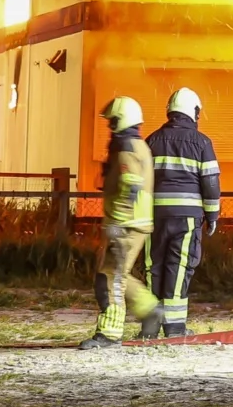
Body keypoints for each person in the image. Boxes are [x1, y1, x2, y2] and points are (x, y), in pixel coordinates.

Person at [144, 86, 222, 338]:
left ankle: (150, 326)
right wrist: (212, 216)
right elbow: (210, 182)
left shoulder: (152, 140)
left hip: (153, 216)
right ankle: (175, 327)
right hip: (187, 217)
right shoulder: (202, 143)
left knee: (152, 265)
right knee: (178, 266)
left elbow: (140, 180)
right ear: (195, 112)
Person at [80, 95, 156, 348]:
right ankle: (152, 311)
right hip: (136, 221)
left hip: (125, 223)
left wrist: (116, 226)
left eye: (112, 121)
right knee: (120, 275)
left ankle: (110, 333)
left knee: (109, 278)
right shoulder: (138, 146)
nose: (109, 127)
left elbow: (129, 187)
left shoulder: (125, 149)